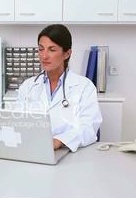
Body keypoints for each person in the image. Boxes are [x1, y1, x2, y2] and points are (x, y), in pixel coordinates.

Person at [15, 24, 102, 152]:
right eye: (41, 49)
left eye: (52, 49)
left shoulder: (84, 86)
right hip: (33, 151)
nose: (44, 56)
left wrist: (59, 141)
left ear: (67, 54)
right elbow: (16, 123)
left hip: (69, 153)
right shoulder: (28, 86)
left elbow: (89, 127)